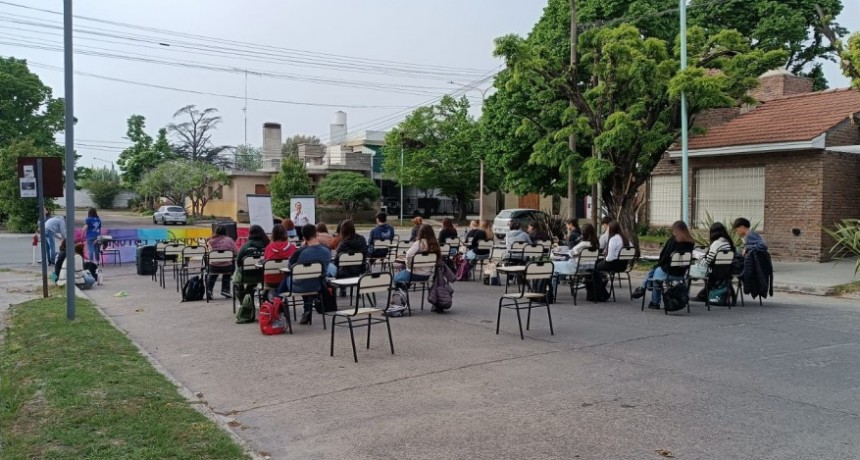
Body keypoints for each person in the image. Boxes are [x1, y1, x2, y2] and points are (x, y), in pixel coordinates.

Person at [632, 220, 695, 308]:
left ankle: (654, 301)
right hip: (681, 273)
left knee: (655, 275)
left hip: (668, 272)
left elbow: (663, 257)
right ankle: (643, 287)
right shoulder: (691, 243)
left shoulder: (673, 241)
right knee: (654, 270)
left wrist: (660, 264)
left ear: (675, 230)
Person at [277, 224, 331, 325]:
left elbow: (290, 267)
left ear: (304, 237)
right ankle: (307, 309)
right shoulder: (327, 251)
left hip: (300, 286)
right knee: (307, 278)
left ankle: (277, 303)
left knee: (289, 277)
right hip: (318, 285)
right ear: (316, 234)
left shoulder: (300, 251)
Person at [552, 223, 599, 296]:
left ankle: (551, 294)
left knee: (552, 265)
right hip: (589, 268)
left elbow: (571, 253)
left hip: (575, 267)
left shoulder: (583, 244)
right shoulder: (596, 244)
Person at [591, 221, 629, 302]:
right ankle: (602, 283)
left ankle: (600, 292)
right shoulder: (625, 238)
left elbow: (609, 258)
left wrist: (605, 258)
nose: (606, 229)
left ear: (611, 229)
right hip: (623, 265)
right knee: (598, 262)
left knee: (594, 269)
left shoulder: (613, 239)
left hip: (613, 264)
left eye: (608, 227)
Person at [234, 224, 270, 299]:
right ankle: (250, 295)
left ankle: (243, 294)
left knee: (238, 275)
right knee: (255, 275)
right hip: (263, 276)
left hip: (246, 276)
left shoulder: (245, 246)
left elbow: (238, 261)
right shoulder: (268, 245)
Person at [206, 224, 239, 300]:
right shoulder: (229, 240)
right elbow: (236, 252)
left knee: (212, 275)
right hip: (227, 267)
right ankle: (225, 289)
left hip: (213, 267)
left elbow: (207, 253)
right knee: (230, 264)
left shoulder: (210, 241)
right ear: (226, 231)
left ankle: (209, 290)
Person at [263, 224, 296, 288]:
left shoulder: (268, 248)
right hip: (287, 280)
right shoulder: (292, 247)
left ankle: (273, 295)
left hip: (270, 281)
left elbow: (265, 261)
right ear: (285, 233)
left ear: (273, 234)